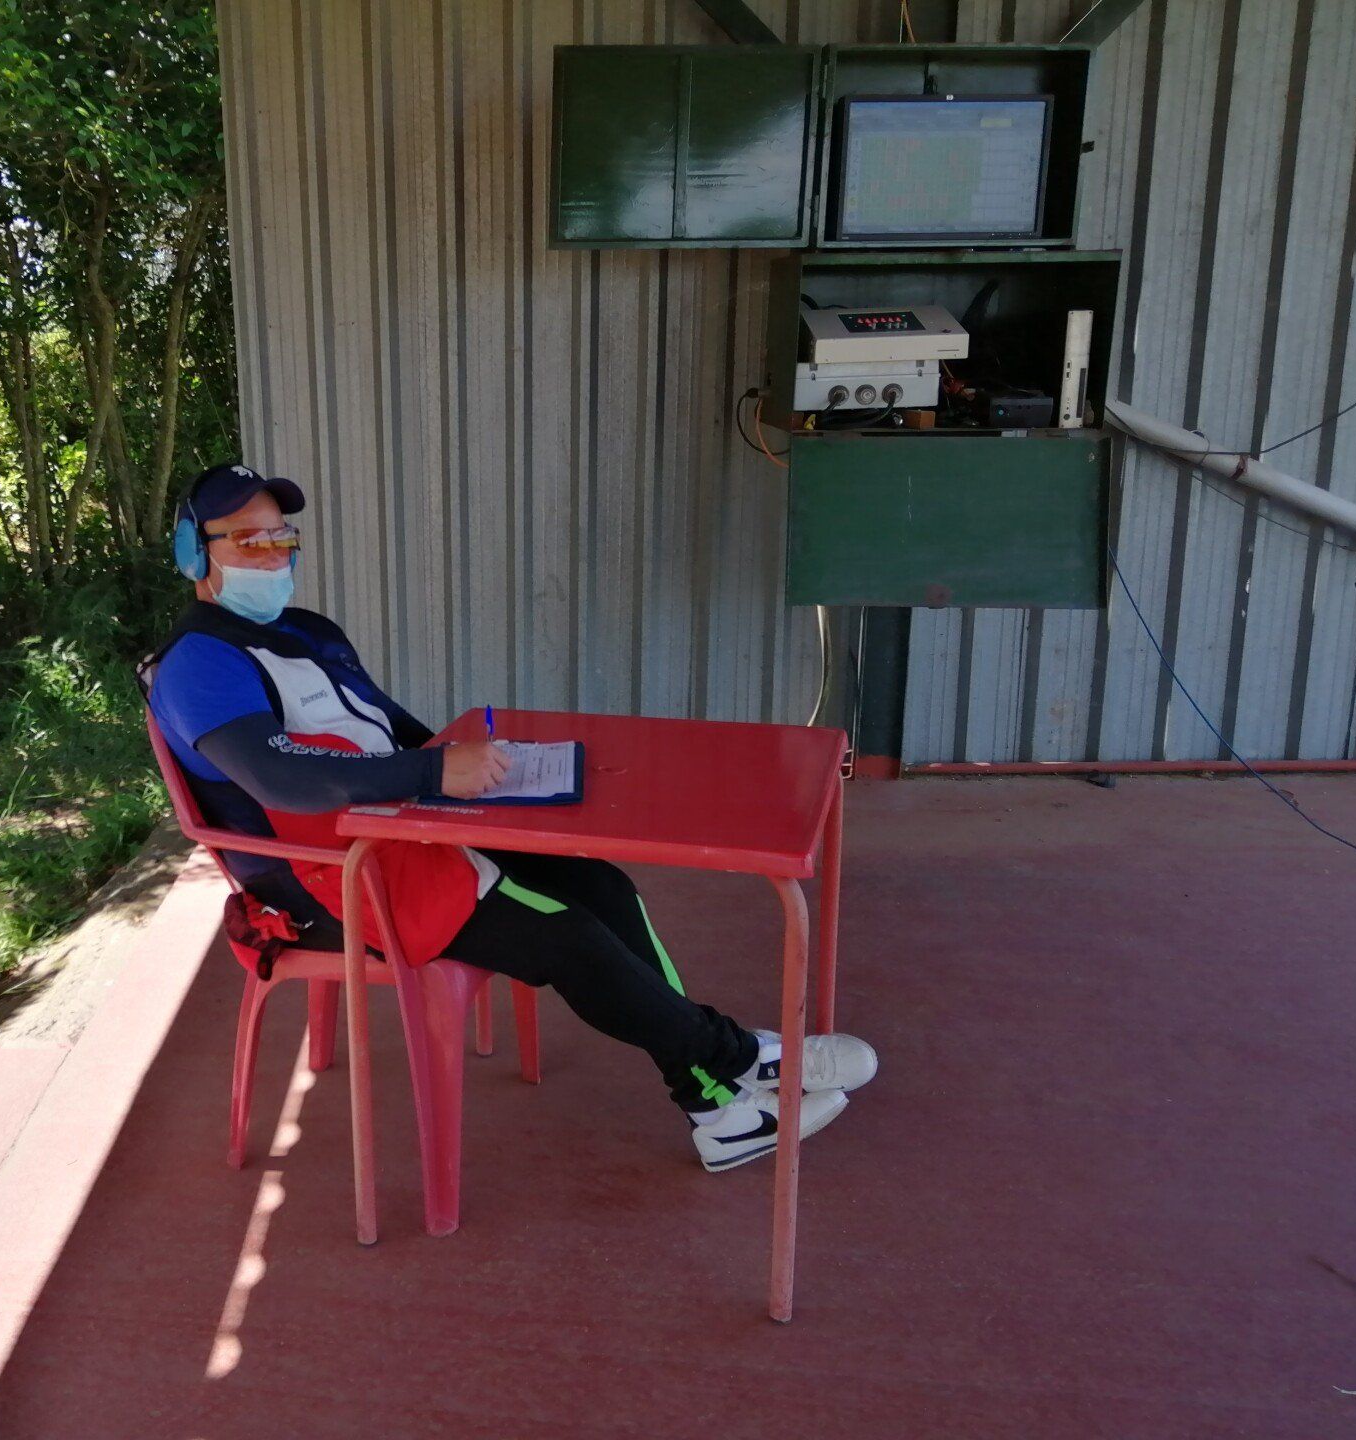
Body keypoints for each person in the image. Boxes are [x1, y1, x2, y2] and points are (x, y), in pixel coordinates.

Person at [143, 462, 876, 1172]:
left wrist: (488, 768)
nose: (273, 555)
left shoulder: (308, 631)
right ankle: (739, 1061)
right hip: (325, 885)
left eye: (283, 537)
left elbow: (398, 733)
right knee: (566, 935)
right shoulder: (196, 664)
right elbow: (283, 780)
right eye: (249, 540)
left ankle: (718, 1107)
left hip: (401, 830)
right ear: (194, 554)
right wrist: (436, 773)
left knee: (602, 887)